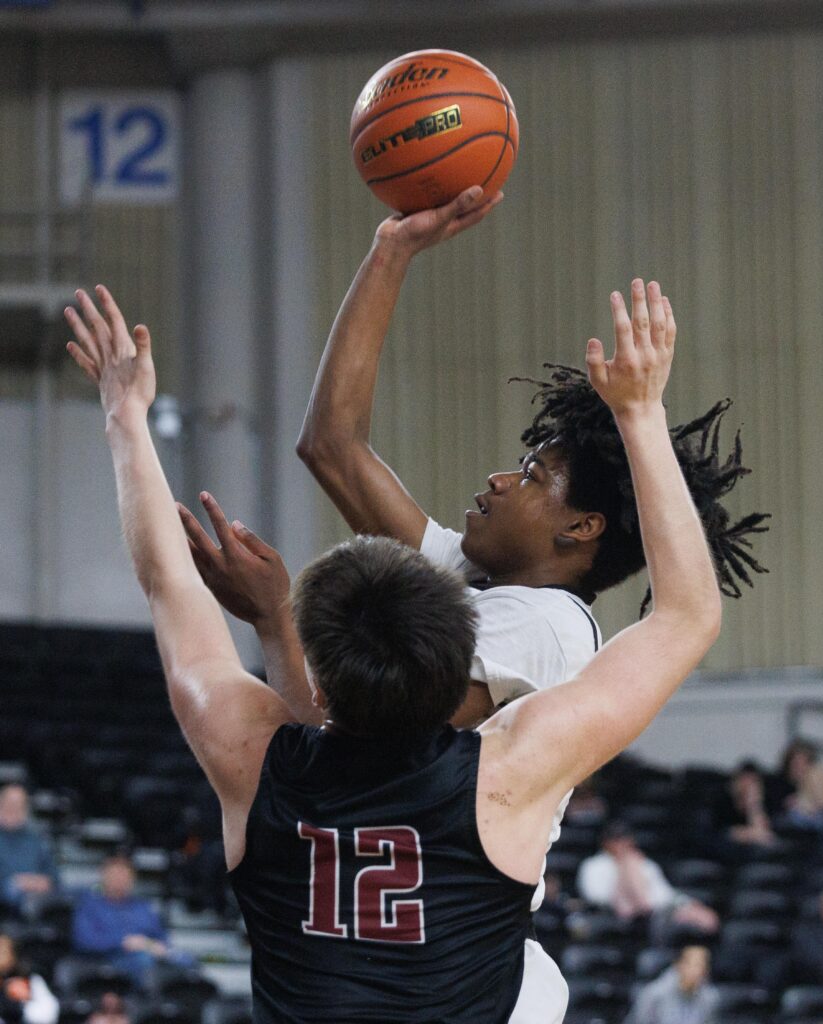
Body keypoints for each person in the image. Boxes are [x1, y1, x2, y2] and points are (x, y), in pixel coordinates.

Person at [65, 278, 722, 1022]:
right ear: (452, 653)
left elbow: (167, 582)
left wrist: (125, 416)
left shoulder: (252, 760)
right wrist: (639, 414)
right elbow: (686, 616)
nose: (503, 478)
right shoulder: (503, 775)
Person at [577, 822, 719, 944]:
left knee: (704, 919)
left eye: (625, 838)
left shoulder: (644, 863)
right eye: (617, 839)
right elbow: (596, 898)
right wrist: (624, 871)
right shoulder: (594, 865)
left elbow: (665, 893)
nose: (623, 844)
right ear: (606, 842)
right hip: (619, 918)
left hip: (659, 914)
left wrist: (687, 905)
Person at [71, 854, 192, 991]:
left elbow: (161, 939)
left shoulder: (143, 907)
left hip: (147, 953)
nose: (119, 879)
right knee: (142, 961)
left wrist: (149, 944)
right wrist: (124, 942)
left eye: (124, 875)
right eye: (115, 874)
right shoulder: (89, 905)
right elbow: (84, 941)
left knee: (186, 960)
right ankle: (150, 1006)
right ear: (104, 875)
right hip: (106, 960)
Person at [0, 786, 58, 918]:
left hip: (37, 903)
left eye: (19, 806)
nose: (13, 810)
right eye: (9, 805)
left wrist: (41, 882)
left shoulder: (36, 839)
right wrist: (14, 883)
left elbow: (55, 878)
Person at [623, 945, 719, 1024]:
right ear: (679, 965)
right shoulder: (654, 994)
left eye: (703, 966)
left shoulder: (710, 998)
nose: (700, 971)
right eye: (695, 965)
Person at [0, 932, 59, 1024]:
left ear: (13, 954)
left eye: (4, 951)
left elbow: (48, 1014)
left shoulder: (29, 978)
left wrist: (22, 1004)